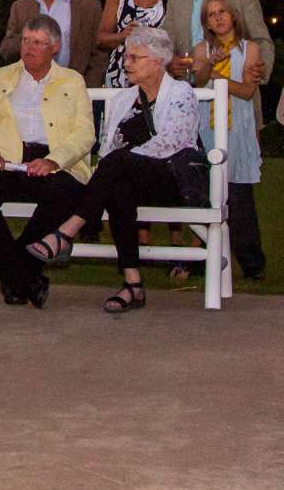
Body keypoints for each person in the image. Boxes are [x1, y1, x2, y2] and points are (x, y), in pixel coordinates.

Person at [20, 27, 203, 315]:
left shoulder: (181, 94)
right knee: (118, 187)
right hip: (129, 181)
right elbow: (106, 148)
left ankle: (68, 231)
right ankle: (133, 283)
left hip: (170, 181)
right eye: (127, 57)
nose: (126, 63)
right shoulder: (122, 100)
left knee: (117, 163)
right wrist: (120, 162)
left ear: (158, 61)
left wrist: (124, 159)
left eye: (135, 58)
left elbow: (171, 143)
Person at [0, 16, 94, 307]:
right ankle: (24, 278)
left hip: (54, 161)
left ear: (55, 47)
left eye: (37, 42)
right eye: (25, 40)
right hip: (8, 159)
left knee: (66, 194)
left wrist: (54, 161)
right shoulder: (2, 77)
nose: (28, 48)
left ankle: (16, 278)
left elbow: (85, 134)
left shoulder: (72, 81)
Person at [190, 0, 267, 282]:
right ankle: (205, 256)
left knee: (239, 196)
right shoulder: (202, 50)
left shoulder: (249, 50)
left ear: (233, 15)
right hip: (208, 128)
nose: (219, 17)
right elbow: (198, 81)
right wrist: (210, 64)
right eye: (212, 14)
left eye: (222, 11)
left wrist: (218, 79)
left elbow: (247, 91)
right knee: (206, 193)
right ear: (206, 22)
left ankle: (252, 260)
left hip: (238, 127)